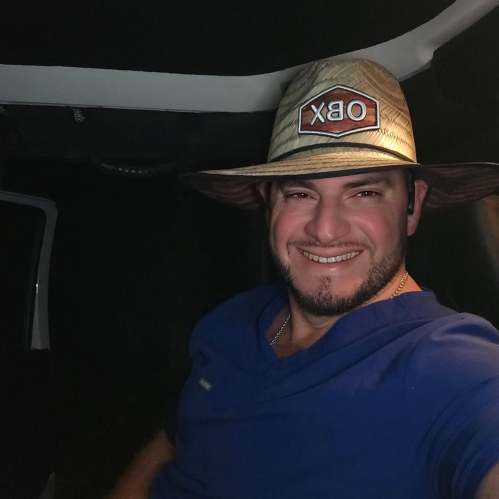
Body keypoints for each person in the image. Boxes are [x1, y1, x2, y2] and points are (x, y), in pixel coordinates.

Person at [107, 58, 499, 499]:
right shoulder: (231, 322)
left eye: (364, 192)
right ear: (268, 203)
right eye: (299, 192)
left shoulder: (451, 366)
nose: (325, 230)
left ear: (413, 206)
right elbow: (176, 441)